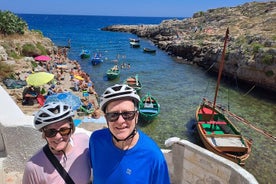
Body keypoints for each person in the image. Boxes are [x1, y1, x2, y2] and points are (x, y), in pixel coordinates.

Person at [89, 84, 170, 183]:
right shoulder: (96, 140)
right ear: (106, 119)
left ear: (136, 116)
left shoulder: (154, 157)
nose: (120, 121)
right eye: (113, 115)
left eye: (127, 114)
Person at [22, 102, 92, 184]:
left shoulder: (84, 141)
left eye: (64, 130)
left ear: (71, 128)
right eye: (51, 132)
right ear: (44, 135)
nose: (58, 137)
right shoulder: (34, 167)